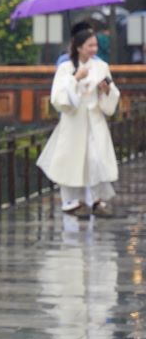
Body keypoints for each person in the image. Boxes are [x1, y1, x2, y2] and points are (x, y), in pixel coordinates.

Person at [37, 24, 121, 218]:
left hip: (95, 119)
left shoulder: (101, 66)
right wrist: (74, 79)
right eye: (90, 45)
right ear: (79, 47)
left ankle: (98, 199)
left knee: (95, 158)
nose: (94, 49)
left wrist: (106, 90)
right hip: (74, 121)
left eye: (95, 45)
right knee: (72, 160)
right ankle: (73, 201)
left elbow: (111, 92)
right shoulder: (65, 68)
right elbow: (58, 97)